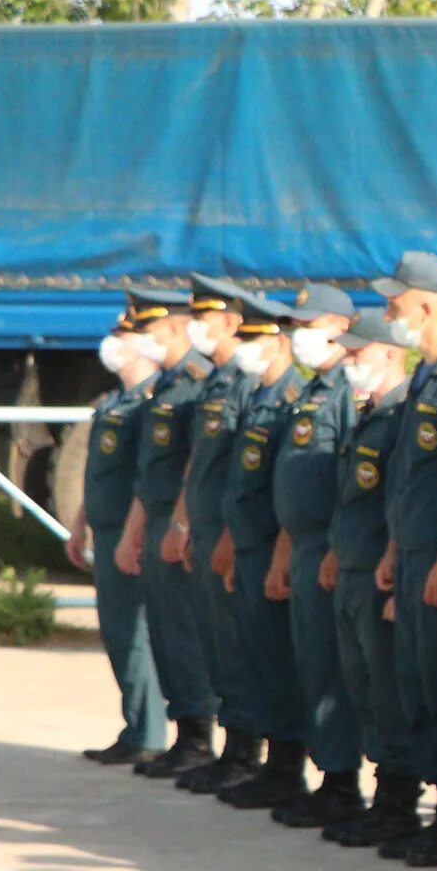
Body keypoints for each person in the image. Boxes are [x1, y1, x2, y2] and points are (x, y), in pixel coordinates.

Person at [348, 251, 437, 853]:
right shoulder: (426, 377)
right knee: (416, 687)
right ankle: (434, 811)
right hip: (411, 554)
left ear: (428, 305)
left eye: (394, 304)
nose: (388, 314)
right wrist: (394, 548)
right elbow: (410, 475)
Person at [262, 286, 365, 829]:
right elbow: (293, 480)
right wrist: (284, 552)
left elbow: (352, 482)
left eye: (307, 322)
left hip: (329, 545)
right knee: (310, 664)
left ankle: (342, 782)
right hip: (301, 544)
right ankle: (324, 772)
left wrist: (333, 547)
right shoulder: (312, 390)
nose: (296, 332)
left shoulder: (347, 390)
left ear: (337, 324)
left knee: (333, 671)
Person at [320, 314, 422, 844]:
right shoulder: (368, 413)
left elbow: (399, 501)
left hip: (380, 571)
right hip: (354, 563)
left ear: (389, 353)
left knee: (386, 687)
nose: (349, 360)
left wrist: (393, 562)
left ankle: (398, 800)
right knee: (361, 682)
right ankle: (381, 793)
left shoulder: (404, 414)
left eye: (358, 353)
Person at [213, 288, 313, 814]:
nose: (245, 349)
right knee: (257, 658)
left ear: (278, 342)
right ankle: (269, 763)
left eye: (254, 340)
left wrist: (277, 552)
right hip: (249, 546)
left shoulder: (295, 397)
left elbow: (290, 489)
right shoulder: (260, 396)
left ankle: (286, 766)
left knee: (280, 661)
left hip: (276, 547)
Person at [173, 276, 263, 798]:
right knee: (213, 641)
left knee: (235, 643)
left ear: (231, 322)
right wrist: (185, 523)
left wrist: (228, 532)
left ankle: (246, 751)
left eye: (203, 318)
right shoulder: (213, 381)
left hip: (232, 532)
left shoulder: (246, 382)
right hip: (204, 527)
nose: (194, 328)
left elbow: (245, 473)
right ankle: (229, 747)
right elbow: (199, 463)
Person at [129, 287, 219, 779]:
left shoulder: (196, 382)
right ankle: (183, 729)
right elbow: (154, 466)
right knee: (164, 629)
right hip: (161, 515)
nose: (144, 341)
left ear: (176, 328)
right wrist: (138, 528)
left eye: (150, 332)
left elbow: (192, 462)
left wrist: (180, 523)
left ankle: (199, 736)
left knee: (184, 631)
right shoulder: (168, 384)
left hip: (180, 519)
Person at [77, 306, 169, 765]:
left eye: (122, 333)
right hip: (104, 526)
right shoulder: (113, 403)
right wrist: (80, 524)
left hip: (128, 534)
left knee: (135, 634)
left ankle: (149, 733)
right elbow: (97, 470)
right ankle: (135, 726)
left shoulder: (150, 402)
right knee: (116, 632)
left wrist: (130, 535)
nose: (112, 341)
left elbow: (144, 479)